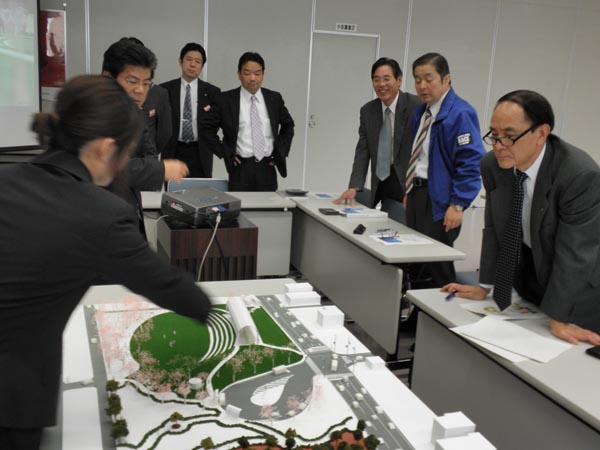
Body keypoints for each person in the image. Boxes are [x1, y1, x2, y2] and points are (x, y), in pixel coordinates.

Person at [0, 75, 212, 450]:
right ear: (105, 148)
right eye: (126, 153)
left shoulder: (6, 177)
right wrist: (212, 310)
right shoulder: (101, 214)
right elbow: (170, 287)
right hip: (12, 403)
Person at [442, 90, 600, 345]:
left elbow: (575, 254)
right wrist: (485, 286)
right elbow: (493, 228)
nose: (498, 145)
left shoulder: (578, 175)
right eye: (494, 135)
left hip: (578, 291)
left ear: (541, 133)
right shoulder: (493, 165)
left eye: (509, 136)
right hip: (531, 279)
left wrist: (559, 317)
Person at [405, 53, 485, 286]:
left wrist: (458, 203)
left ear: (446, 79)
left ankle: (447, 307)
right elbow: (419, 156)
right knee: (414, 260)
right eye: (417, 79)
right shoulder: (422, 112)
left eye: (428, 79)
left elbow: (470, 163)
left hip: (440, 199)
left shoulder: (460, 113)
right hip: (417, 193)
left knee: (437, 263)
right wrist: (408, 188)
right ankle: (414, 308)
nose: (422, 85)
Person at [102, 39, 189, 235]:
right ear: (108, 78)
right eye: (132, 82)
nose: (140, 90)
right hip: (101, 221)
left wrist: (154, 168)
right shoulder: (92, 116)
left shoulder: (138, 114)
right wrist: (160, 169)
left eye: (146, 83)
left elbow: (150, 152)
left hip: (130, 213)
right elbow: (106, 166)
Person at [333, 57, 420, 215]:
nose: (381, 84)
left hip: (409, 183)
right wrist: (354, 186)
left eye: (386, 79)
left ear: (399, 80)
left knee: (407, 223)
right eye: (376, 79)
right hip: (382, 182)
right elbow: (363, 150)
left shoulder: (416, 106)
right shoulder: (368, 111)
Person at [201, 51, 295, 191]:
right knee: (241, 204)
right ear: (239, 74)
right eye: (247, 73)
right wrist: (225, 152)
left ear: (263, 74)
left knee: (268, 205)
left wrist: (281, 151)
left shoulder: (274, 98)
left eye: (257, 73)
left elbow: (288, 125)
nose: (252, 78)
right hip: (240, 168)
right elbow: (206, 128)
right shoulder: (225, 100)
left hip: (267, 167)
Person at [161, 42, 221, 178]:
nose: (192, 64)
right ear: (180, 61)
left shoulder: (212, 92)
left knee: (201, 189)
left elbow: (215, 123)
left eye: (197, 61)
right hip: (173, 150)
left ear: (202, 66)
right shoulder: (165, 90)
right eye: (189, 59)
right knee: (173, 190)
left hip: (200, 151)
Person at [121, 37, 173, 155]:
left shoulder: (158, 93)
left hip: (144, 159)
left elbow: (165, 132)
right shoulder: (106, 92)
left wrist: (151, 153)